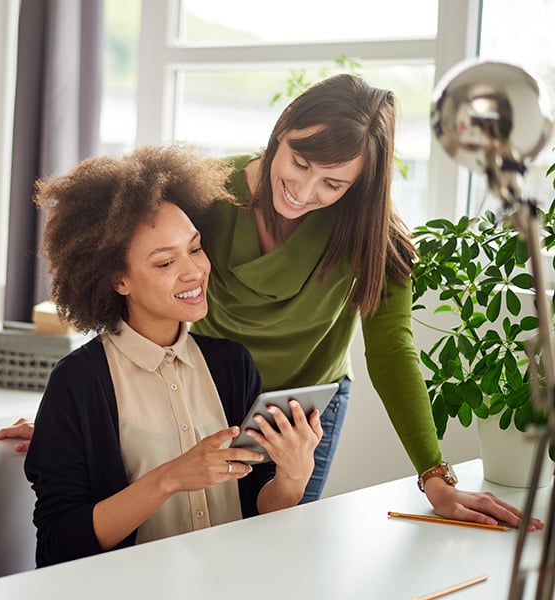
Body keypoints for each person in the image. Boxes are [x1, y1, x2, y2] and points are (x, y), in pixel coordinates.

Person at [187, 72, 542, 529]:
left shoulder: (374, 236)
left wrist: (436, 477)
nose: (304, 190)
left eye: (333, 185)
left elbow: (392, 349)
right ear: (285, 123)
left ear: (357, 186)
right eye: (299, 162)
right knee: (197, 537)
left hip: (307, 410)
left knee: (281, 540)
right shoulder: (204, 192)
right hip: (206, 396)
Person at [0, 145, 323, 567]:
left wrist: (293, 475)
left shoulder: (232, 365)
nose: (193, 272)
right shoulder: (78, 381)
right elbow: (60, 545)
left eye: (196, 248)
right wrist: (170, 477)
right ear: (119, 279)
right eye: (165, 263)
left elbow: (259, 511)